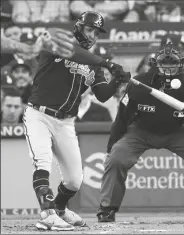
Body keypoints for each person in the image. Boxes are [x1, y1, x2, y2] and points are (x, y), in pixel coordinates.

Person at [22, 11, 130, 231]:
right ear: (79, 27)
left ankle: (60, 209)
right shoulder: (58, 43)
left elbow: (101, 94)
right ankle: (47, 213)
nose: (92, 36)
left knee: (74, 180)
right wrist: (107, 63)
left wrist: (118, 80)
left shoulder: (93, 63)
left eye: (97, 33)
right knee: (42, 162)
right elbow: (73, 52)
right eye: (89, 29)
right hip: (39, 115)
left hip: (65, 122)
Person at [97, 42, 184, 222]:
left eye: (172, 63)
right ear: (155, 64)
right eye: (164, 64)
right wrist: (110, 147)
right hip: (141, 130)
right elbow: (122, 118)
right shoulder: (139, 84)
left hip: (177, 130)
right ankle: (107, 209)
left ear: (181, 65)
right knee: (116, 158)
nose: (168, 68)